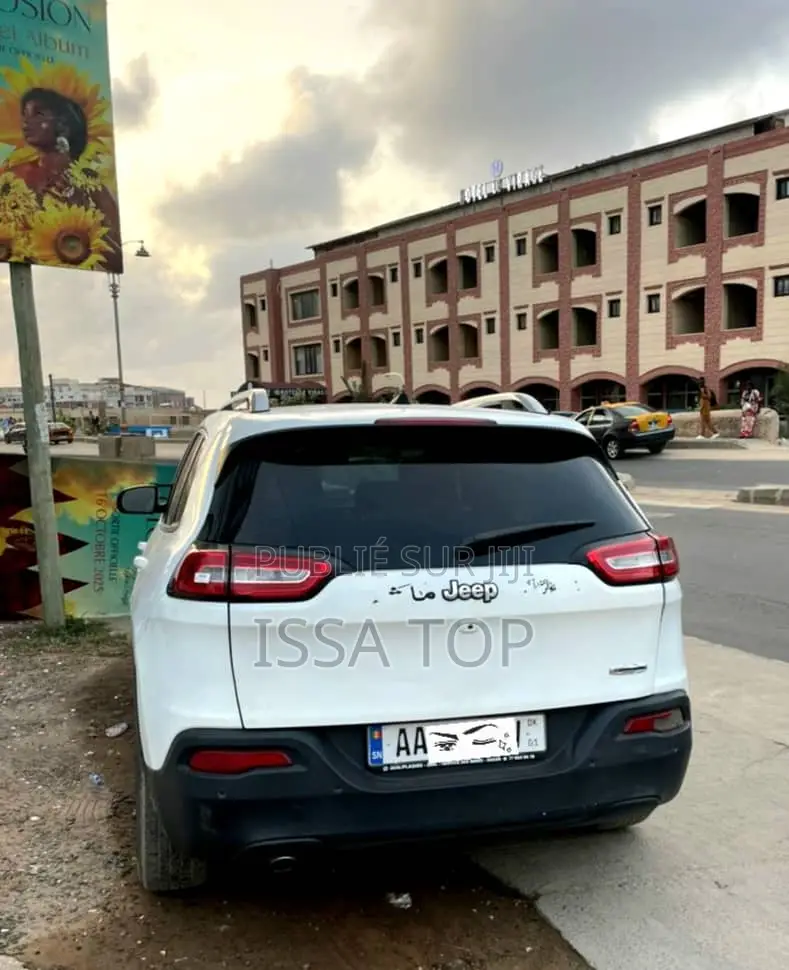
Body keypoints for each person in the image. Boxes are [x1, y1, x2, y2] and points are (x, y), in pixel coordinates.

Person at [2, 87, 121, 259]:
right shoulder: (11, 177)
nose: (26, 123)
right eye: (25, 115)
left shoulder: (91, 185)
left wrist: (83, 214)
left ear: (64, 125)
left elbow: (116, 257)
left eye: (38, 114)